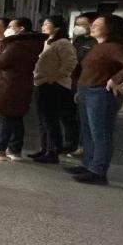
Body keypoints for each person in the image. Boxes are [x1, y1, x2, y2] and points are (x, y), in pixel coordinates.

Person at [66, 14, 123, 184]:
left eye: (98, 24)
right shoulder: (98, 46)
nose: (92, 26)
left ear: (110, 28)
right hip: (87, 92)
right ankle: (88, 164)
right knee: (87, 133)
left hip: (100, 94)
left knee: (100, 134)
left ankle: (98, 171)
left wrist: (116, 79)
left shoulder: (115, 47)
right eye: (93, 24)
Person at [0, 18, 46, 161]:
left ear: (21, 29)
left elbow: (1, 63)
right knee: (16, 117)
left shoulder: (16, 45)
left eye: (11, 26)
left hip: (8, 84)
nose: (8, 29)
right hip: (22, 84)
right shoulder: (32, 43)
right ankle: (14, 150)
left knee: (5, 116)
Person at [28, 15, 78, 164]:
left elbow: (70, 63)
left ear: (57, 27)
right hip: (41, 83)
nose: (43, 27)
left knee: (51, 120)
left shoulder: (63, 43)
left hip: (55, 86)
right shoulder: (47, 42)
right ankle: (44, 148)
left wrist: (53, 78)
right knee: (43, 120)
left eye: (46, 24)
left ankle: (53, 151)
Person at [67, 12, 98, 157]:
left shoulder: (96, 42)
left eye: (82, 24)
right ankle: (72, 143)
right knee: (72, 115)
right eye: (77, 24)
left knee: (84, 118)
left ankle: (84, 147)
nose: (78, 27)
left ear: (91, 25)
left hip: (87, 83)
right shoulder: (78, 40)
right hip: (74, 81)